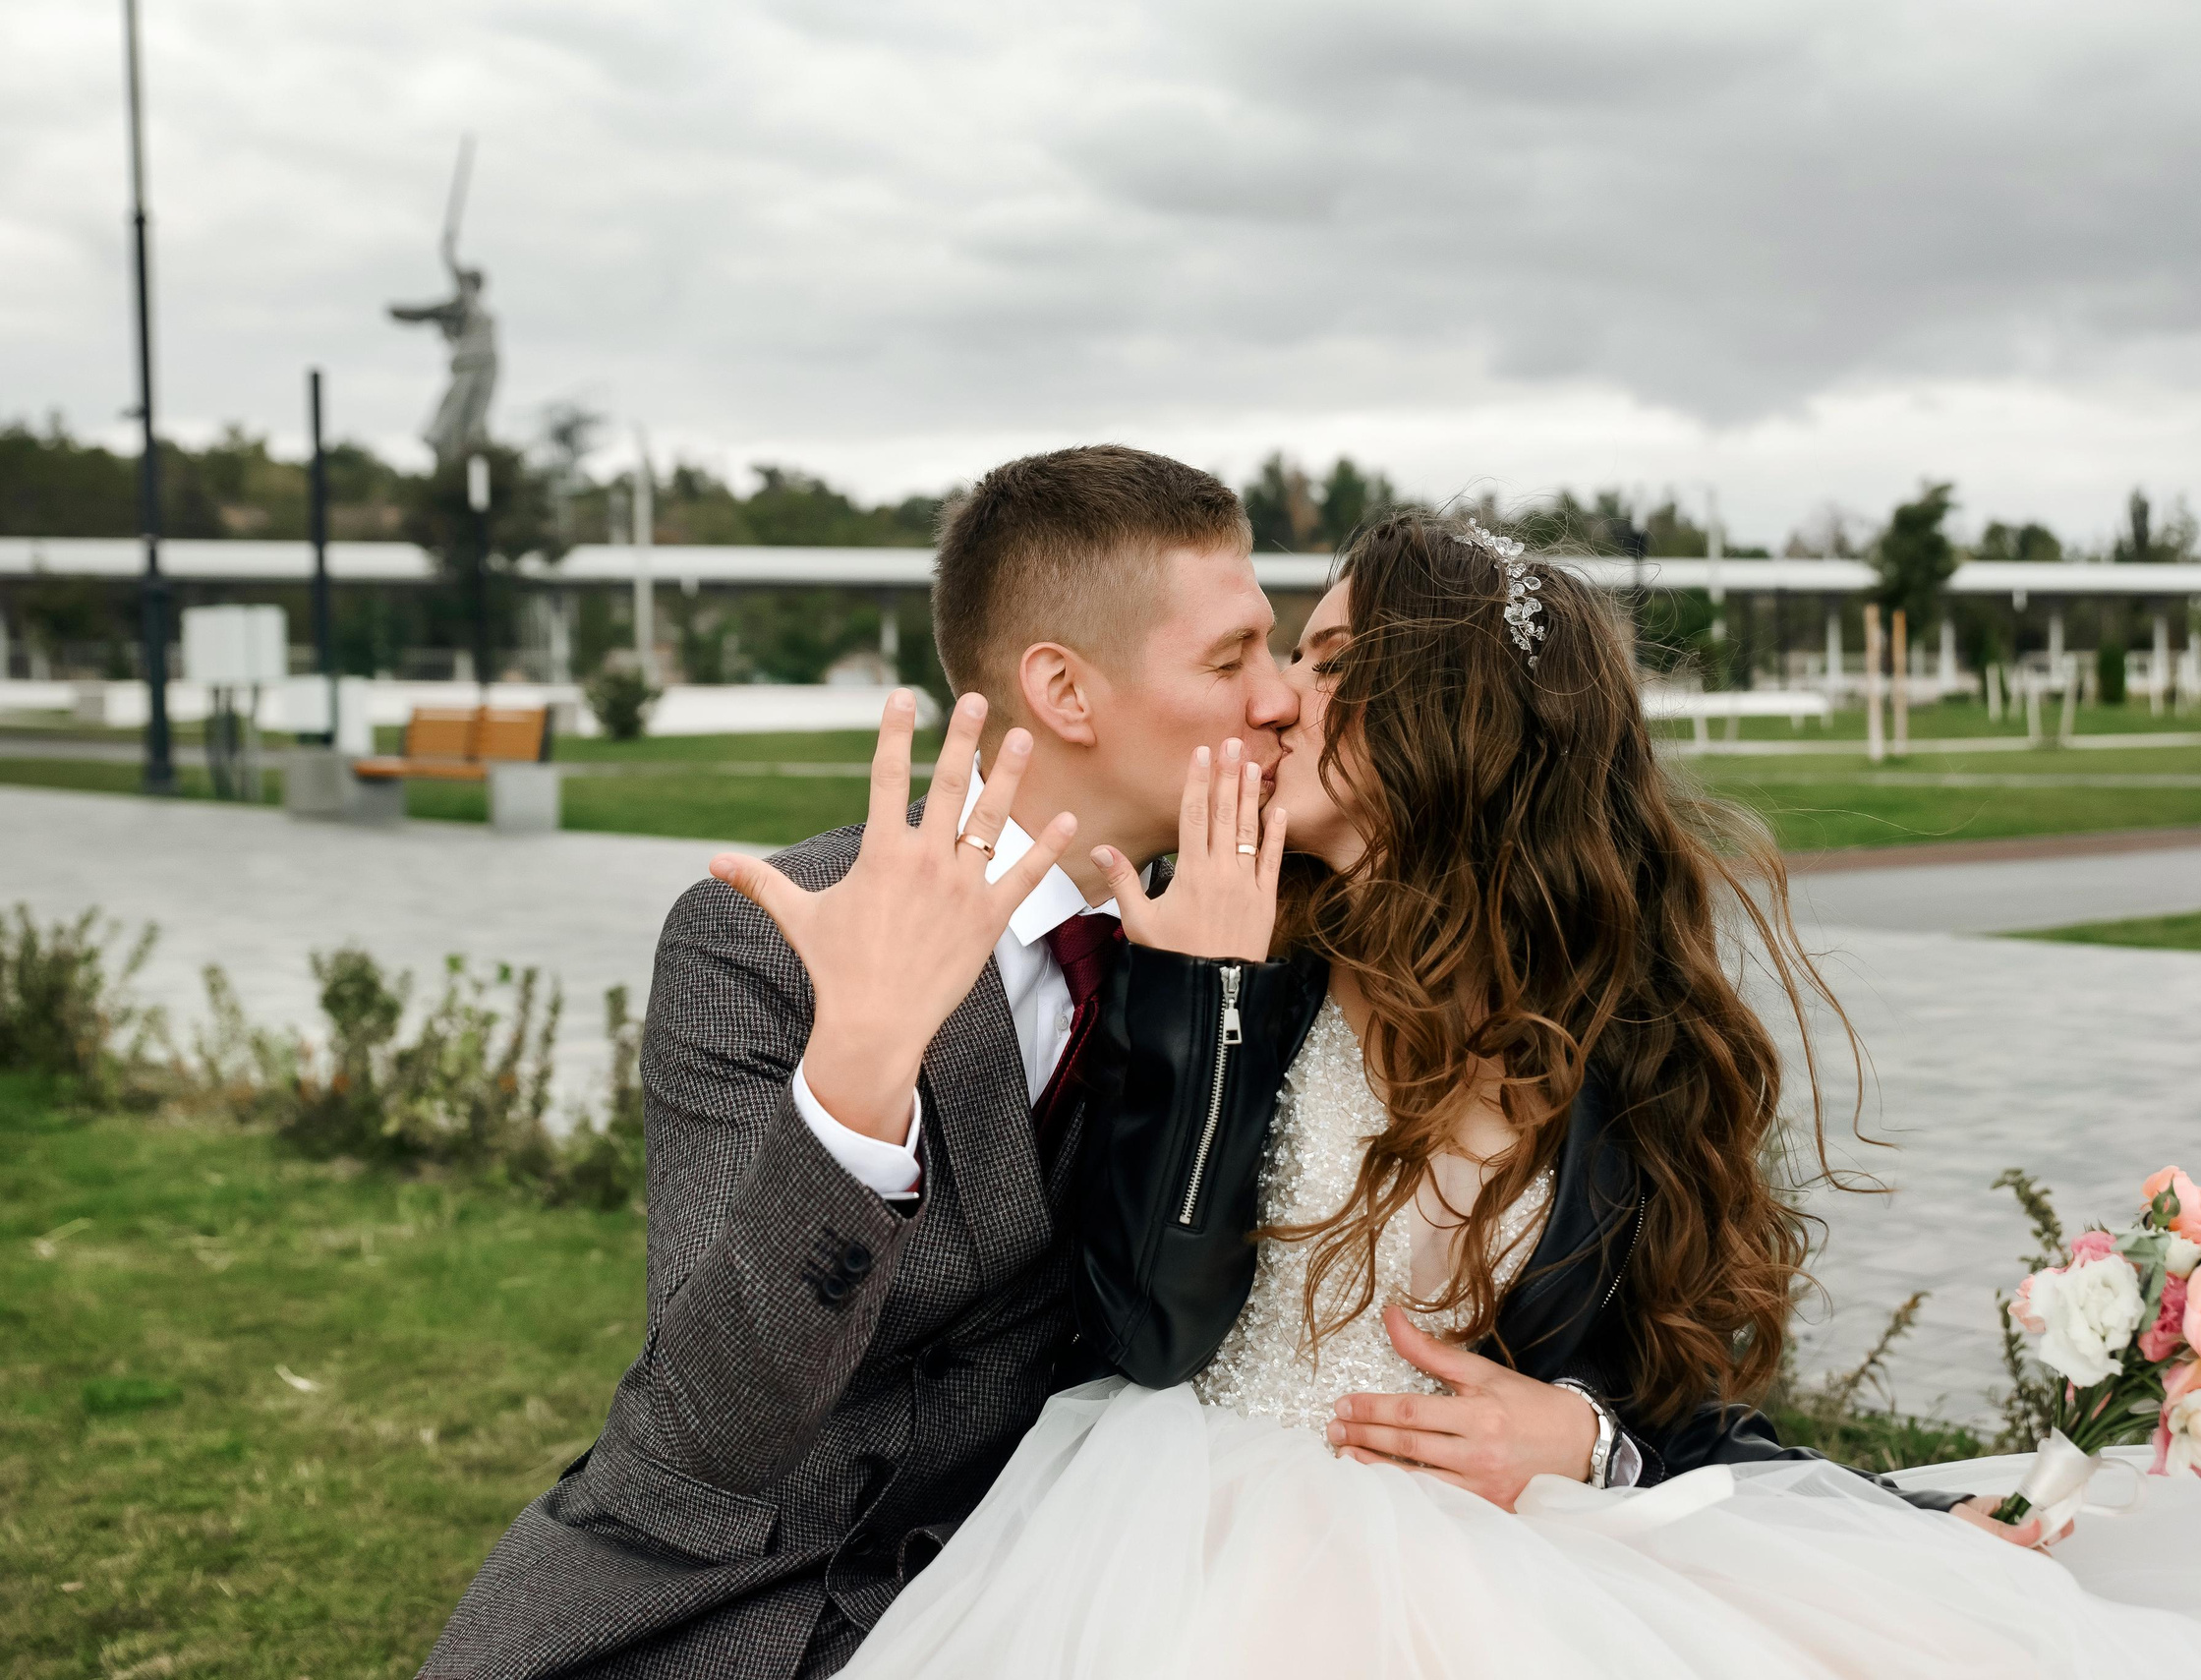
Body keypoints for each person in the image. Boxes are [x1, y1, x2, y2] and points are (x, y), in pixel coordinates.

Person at [834, 512, 2201, 1678]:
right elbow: (1149, 1329)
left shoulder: (1621, 1025)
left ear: (1450, 712)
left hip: (1517, 1559)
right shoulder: (1227, 951)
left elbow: (1684, 1383)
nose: (1281, 694)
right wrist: (1192, 994)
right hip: (1179, 1534)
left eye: (1332, 655)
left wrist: (1597, 1436)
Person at [418, 450, 1589, 1679]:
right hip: (721, 1598)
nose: (1282, 699)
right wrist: (859, 1072)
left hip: (1069, 1582)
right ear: (1063, 693)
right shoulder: (771, 933)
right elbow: (710, 1428)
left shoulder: (1266, 929)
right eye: (1232, 657)